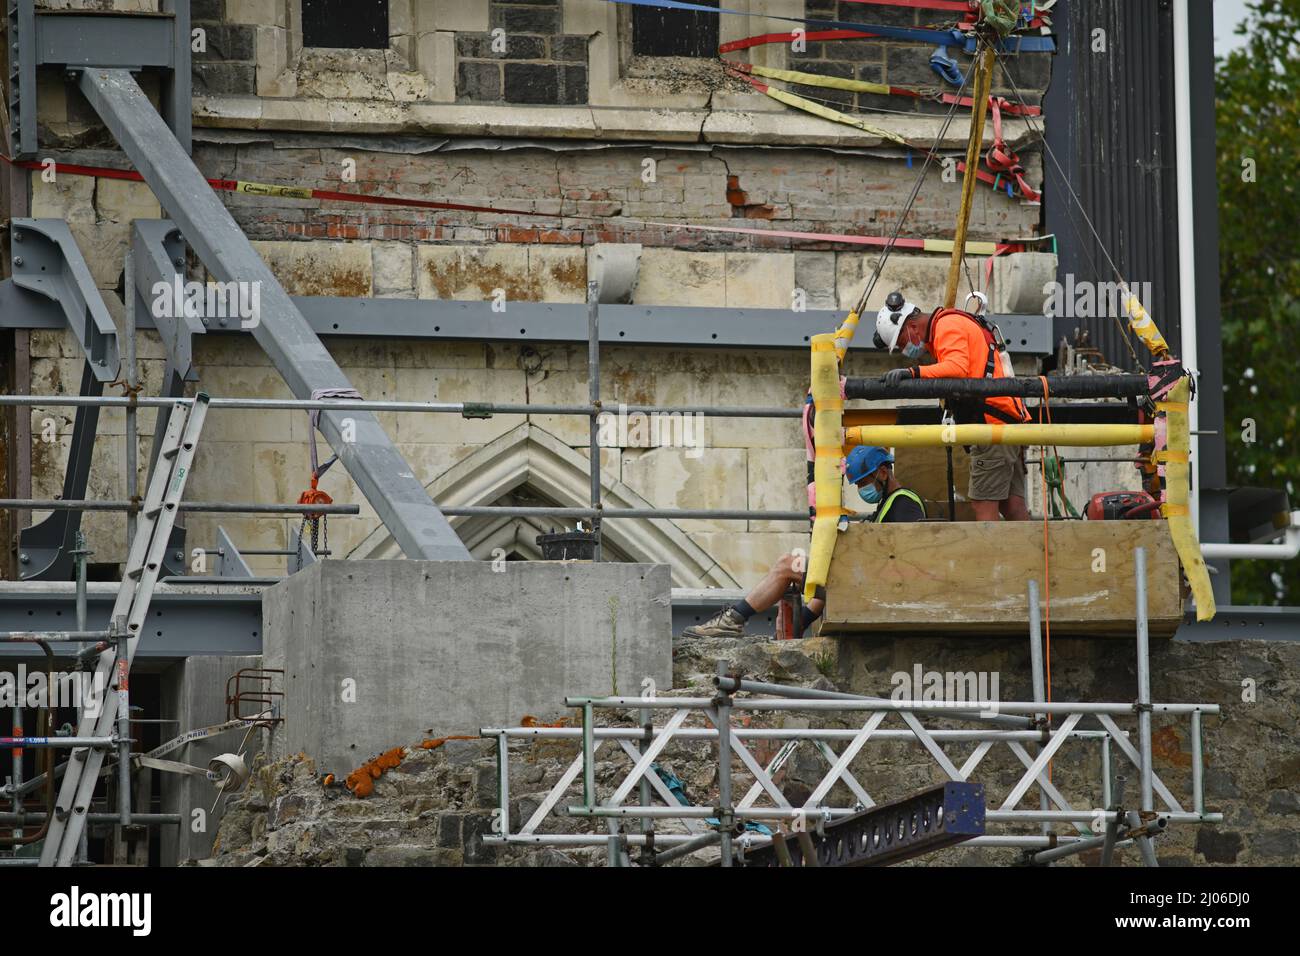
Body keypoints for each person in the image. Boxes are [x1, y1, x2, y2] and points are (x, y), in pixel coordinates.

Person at [681, 446, 924, 639]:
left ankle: (732, 620)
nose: (861, 489)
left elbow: (905, 553)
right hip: (865, 580)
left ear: (883, 472)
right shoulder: (885, 504)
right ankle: (797, 627)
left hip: (875, 584)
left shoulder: (904, 502)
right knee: (818, 577)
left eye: (863, 482)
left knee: (789, 564)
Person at [874, 290, 1031, 522]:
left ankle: (996, 558)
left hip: (992, 427)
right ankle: (1033, 557)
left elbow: (957, 368)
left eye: (902, 342)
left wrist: (913, 373)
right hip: (1006, 422)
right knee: (1012, 506)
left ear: (912, 327)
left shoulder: (946, 326)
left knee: (982, 505)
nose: (906, 350)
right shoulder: (949, 324)